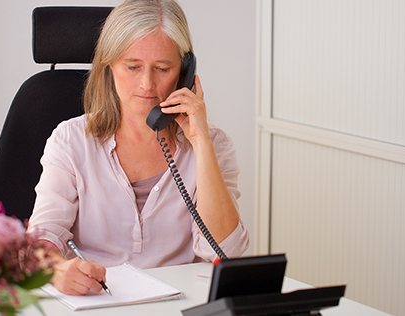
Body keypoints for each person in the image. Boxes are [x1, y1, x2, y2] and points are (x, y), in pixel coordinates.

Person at [28, 0, 249, 296]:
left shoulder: (213, 145)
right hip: (97, 299)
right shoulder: (71, 140)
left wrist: (201, 143)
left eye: (162, 68)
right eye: (132, 67)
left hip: (177, 303)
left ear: (184, 72)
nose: (147, 84)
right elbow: (41, 239)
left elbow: (226, 252)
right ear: (110, 66)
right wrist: (57, 270)